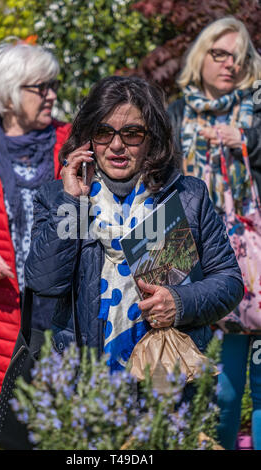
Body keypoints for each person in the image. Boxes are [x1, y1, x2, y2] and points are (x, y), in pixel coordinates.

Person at [25, 75, 243, 402]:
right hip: (86, 387)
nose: (116, 145)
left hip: (166, 381)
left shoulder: (186, 196)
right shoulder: (59, 198)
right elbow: (45, 281)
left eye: (132, 133)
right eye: (103, 132)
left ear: (152, 138)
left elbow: (228, 282)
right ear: (87, 139)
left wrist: (180, 303)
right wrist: (73, 203)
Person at [167, 17, 261, 449]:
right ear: (200, 56)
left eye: (238, 57)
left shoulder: (257, 111)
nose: (229, 65)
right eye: (219, 54)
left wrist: (247, 140)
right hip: (193, 261)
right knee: (216, 392)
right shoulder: (175, 114)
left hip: (254, 262)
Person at [0, 40, 71, 407]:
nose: (52, 95)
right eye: (41, 88)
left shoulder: (70, 145)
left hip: (63, 314)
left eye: (53, 84)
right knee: (12, 425)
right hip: (0, 315)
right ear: (9, 97)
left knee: (63, 421)